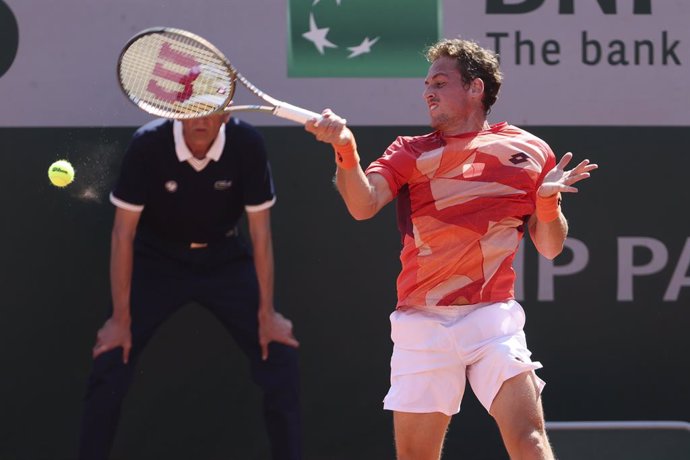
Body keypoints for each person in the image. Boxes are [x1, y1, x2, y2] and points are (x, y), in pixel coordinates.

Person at [305, 38, 597, 460]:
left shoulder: (531, 152)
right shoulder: (409, 151)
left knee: (529, 441)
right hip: (421, 323)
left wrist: (548, 203)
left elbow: (549, 247)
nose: (428, 91)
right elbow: (362, 204)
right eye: (426, 84)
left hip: (492, 319)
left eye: (440, 83)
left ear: (475, 88)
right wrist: (345, 150)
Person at [78, 113, 302, 460]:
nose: (199, 118)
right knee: (111, 357)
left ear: (226, 113)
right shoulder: (148, 143)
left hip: (225, 259)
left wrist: (267, 313)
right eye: (190, 107)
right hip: (156, 261)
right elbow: (123, 233)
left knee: (279, 353)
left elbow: (260, 234)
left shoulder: (247, 144)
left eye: (209, 107)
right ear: (174, 111)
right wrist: (120, 319)